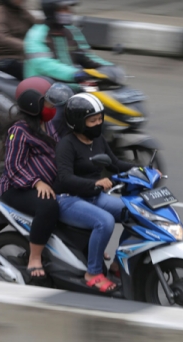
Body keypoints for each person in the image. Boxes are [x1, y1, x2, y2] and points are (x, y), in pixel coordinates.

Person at [54, 93, 135, 293]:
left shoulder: (98, 140)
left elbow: (115, 164)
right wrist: (96, 184)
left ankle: (118, 264)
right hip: (68, 199)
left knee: (134, 212)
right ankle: (93, 273)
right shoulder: (67, 144)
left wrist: (140, 170)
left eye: (100, 119)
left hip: (93, 196)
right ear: (78, 123)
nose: (98, 124)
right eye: (93, 121)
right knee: (104, 221)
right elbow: (64, 178)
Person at [0, 76, 72, 281]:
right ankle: (34, 258)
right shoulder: (18, 131)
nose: (52, 108)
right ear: (34, 105)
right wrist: (36, 182)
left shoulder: (45, 126)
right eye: (48, 103)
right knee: (48, 207)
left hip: (45, 183)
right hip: (17, 188)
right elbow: (13, 168)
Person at [24, 0, 113, 84]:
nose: (70, 12)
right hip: (42, 87)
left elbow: (85, 56)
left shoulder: (72, 31)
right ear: (51, 10)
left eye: (69, 8)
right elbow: (45, 64)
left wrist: (107, 67)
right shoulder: (37, 34)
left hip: (68, 85)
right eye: (64, 9)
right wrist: (74, 74)